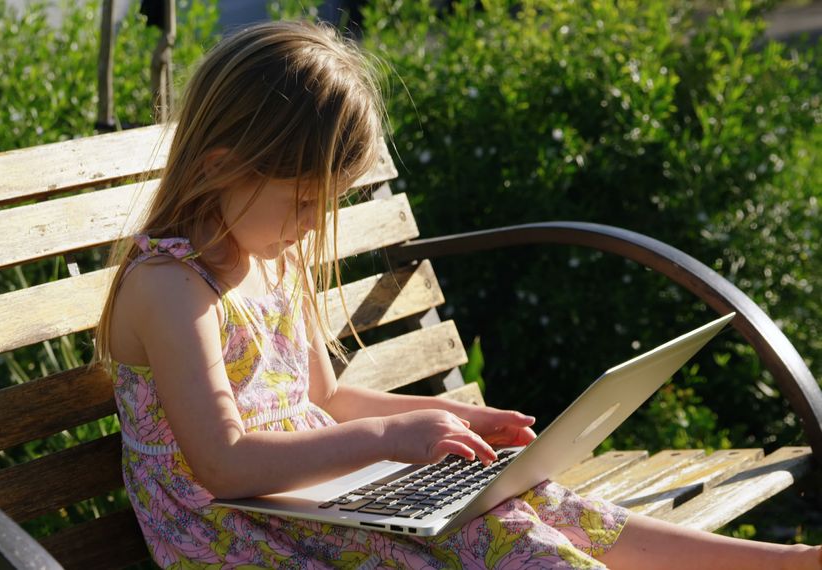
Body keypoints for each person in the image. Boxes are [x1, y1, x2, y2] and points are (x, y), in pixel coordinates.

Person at [93, 19, 822, 569]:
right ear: (223, 167)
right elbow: (221, 463)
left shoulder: (270, 257)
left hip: (308, 501)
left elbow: (330, 401)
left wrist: (445, 417)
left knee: (514, 493)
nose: (315, 224)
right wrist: (391, 440)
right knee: (491, 529)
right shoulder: (171, 289)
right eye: (305, 200)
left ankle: (783, 564)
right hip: (230, 533)